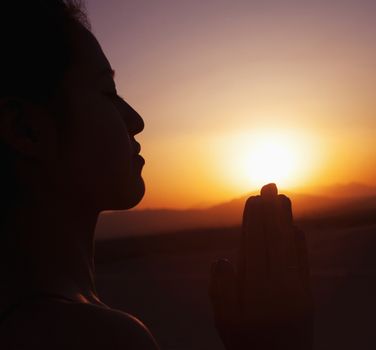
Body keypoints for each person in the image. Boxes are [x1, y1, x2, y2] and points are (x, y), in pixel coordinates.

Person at [0, 1, 312, 349]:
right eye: (108, 93)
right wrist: (277, 341)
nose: (135, 120)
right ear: (25, 128)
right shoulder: (93, 337)